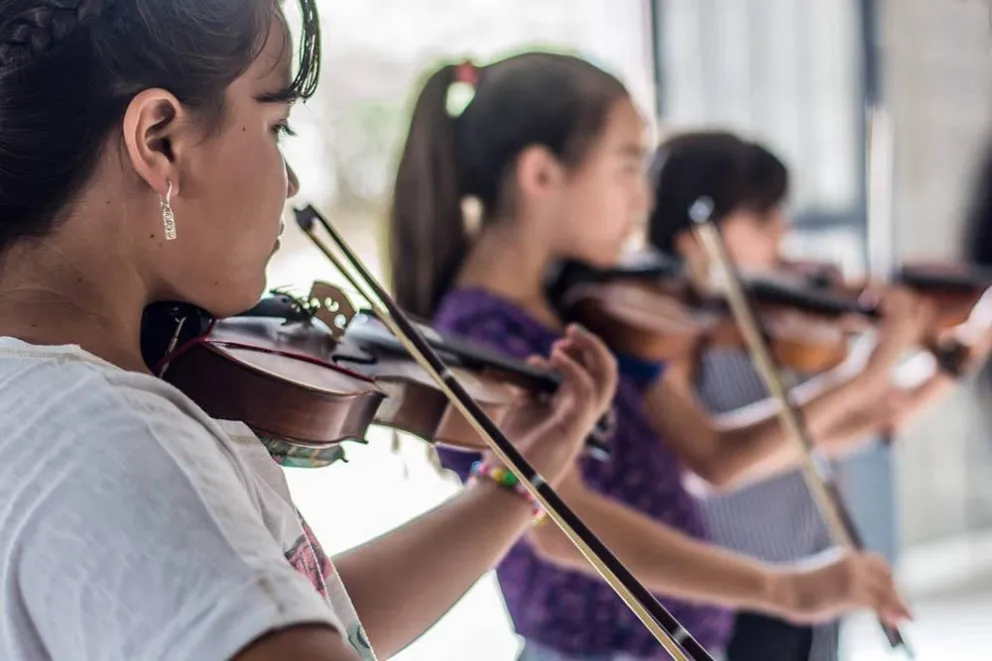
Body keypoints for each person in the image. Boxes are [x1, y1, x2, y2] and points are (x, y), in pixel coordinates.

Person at [0, 3, 624, 661]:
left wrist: (515, 482)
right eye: (277, 126)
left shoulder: (42, 409)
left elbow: (309, 614)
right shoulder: (116, 437)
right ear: (160, 140)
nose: (290, 180)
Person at [388, 53, 931, 661]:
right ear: (540, 174)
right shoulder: (481, 337)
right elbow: (560, 525)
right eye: (626, 168)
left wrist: (867, 377)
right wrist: (782, 588)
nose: (644, 200)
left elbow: (716, 455)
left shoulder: (583, 307)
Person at [644, 131, 955, 661]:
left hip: (817, 571)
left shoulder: (777, 322)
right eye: (764, 219)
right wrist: (869, 369)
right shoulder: (667, 337)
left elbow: (864, 423)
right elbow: (721, 464)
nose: (784, 233)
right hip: (737, 587)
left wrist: (952, 356)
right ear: (695, 237)